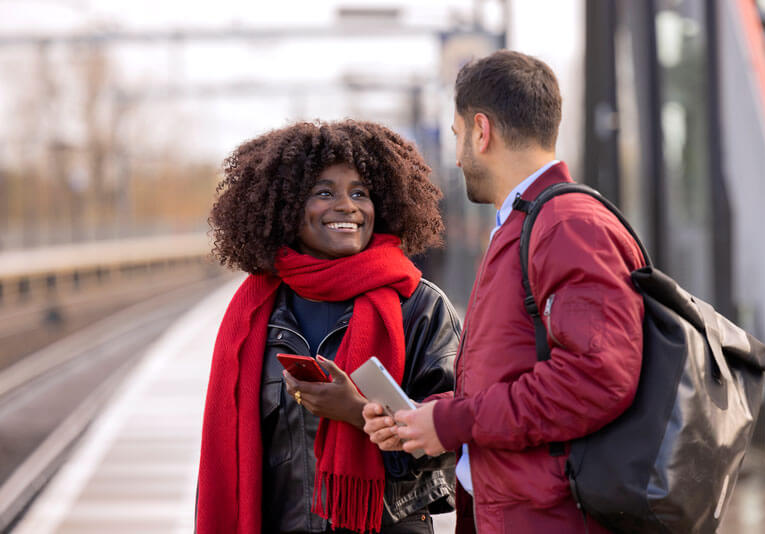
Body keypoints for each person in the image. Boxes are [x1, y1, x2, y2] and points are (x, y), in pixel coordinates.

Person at [363, 50, 645, 533]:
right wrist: (431, 418)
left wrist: (454, 423)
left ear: (481, 130)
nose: (456, 157)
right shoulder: (530, 224)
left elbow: (597, 379)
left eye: (457, 137)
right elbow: (516, 373)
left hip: (551, 517)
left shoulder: (567, 227)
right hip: (518, 509)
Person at [196, 120, 462, 534]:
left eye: (361, 193)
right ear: (284, 207)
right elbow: (227, 459)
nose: (348, 206)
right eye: (325, 193)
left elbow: (456, 437)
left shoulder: (420, 307)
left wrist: (357, 413)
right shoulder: (253, 317)